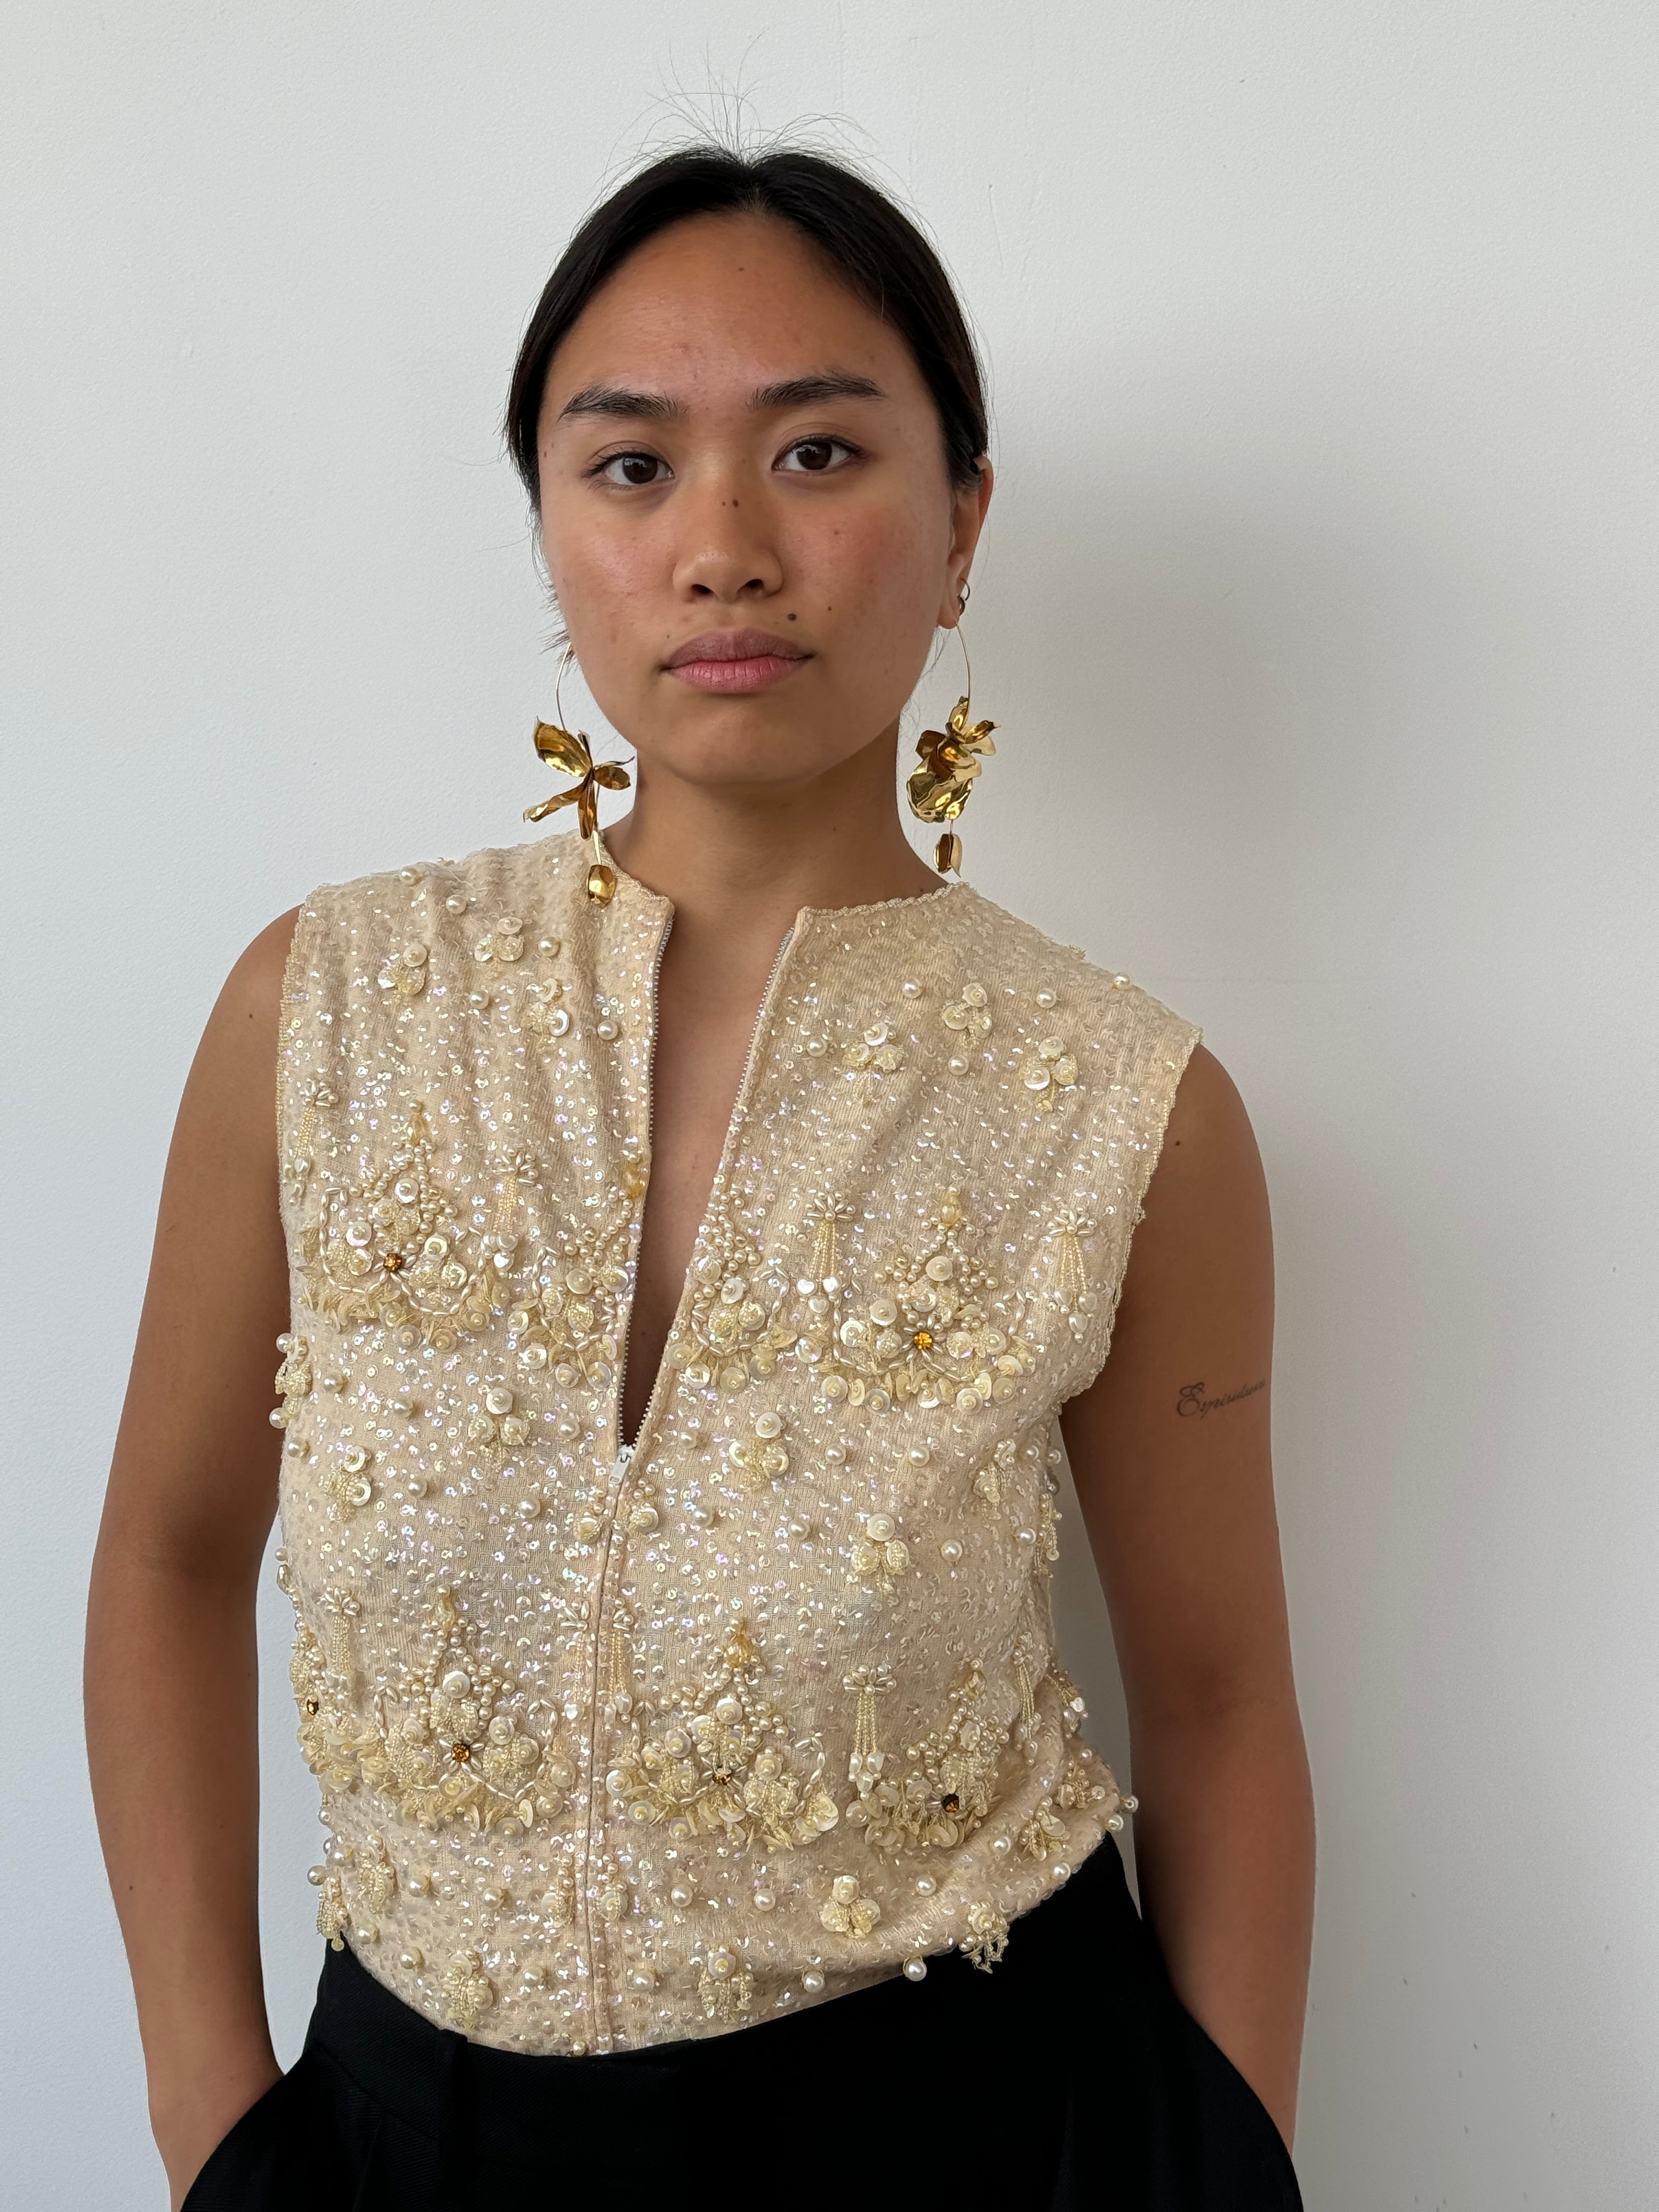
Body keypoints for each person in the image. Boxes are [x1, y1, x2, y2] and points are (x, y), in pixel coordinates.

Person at [86, 143, 1313, 2210]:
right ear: (552, 528)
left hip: (980, 2135)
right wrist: (215, 2127)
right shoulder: (325, 1010)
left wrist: (1225, 2162)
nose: (726, 548)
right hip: (399, 2141)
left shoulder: (1129, 1106)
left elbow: (1217, 1698)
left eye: (819, 452)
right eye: (634, 466)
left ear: (963, 521)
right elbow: (167, 1558)